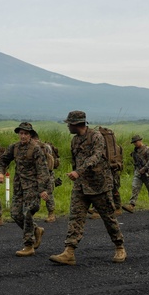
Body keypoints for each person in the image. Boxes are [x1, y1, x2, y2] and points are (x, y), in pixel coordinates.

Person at [49, 111, 126, 265]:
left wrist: (78, 171)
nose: (68, 126)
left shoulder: (96, 137)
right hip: (81, 186)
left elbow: (96, 157)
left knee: (109, 218)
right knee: (75, 218)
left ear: (77, 124)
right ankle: (69, 252)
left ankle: (119, 247)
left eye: (69, 124)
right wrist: (75, 173)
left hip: (100, 185)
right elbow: (75, 160)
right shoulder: (75, 140)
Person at [0, 122, 51, 256]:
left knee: (27, 213)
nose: (23, 136)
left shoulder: (36, 149)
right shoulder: (14, 147)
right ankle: (36, 230)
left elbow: (43, 170)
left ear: (30, 135)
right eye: (21, 133)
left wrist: (43, 190)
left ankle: (29, 245)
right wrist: (0, 172)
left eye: (26, 134)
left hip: (32, 187)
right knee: (15, 214)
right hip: (19, 186)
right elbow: (3, 160)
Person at [123, 134, 149, 213]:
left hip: (148, 173)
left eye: (136, 142)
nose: (135, 143)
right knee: (135, 187)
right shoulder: (135, 151)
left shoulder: (148, 150)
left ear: (140, 141)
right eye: (134, 142)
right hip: (138, 173)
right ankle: (132, 205)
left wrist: (144, 169)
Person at [40, 138, 59, 223]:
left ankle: (51, 214)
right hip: (38, 174)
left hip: (48, 173)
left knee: (49, 193)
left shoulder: (45, 147)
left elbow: (50, 165)